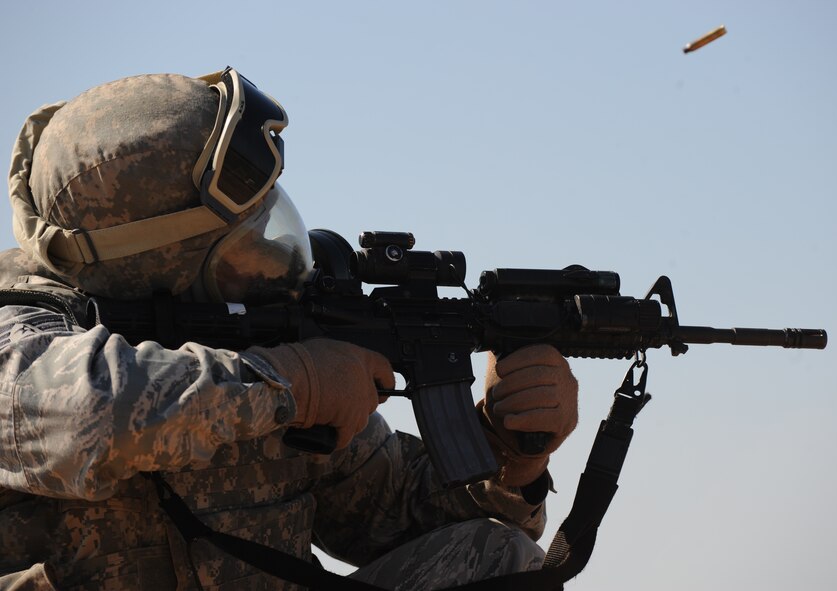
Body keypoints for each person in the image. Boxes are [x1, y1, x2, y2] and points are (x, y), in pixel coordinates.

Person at [0, 69, 579, 591]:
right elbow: (84, 412)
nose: (270, 255)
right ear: (158, 264)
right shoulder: (20, 325)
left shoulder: (258, 333)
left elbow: (396, 512)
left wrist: (511, 455)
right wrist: (291, 385)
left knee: (497, 556)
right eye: (239, 243)